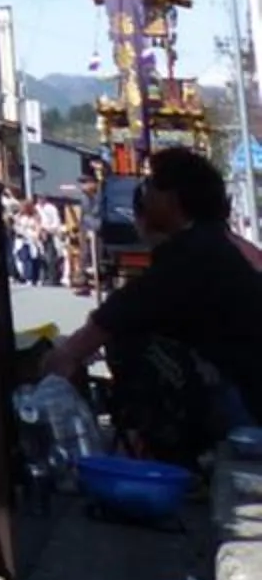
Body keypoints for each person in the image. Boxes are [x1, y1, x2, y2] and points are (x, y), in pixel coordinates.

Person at [44, 146, 262, 462]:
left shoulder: (192, 254)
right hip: (243, 389)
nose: (142, 197)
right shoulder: (217, 242)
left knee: (129, 342)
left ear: (171, 198)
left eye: (150, 186)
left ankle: (181, 454)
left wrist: (63, 356)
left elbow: (117, 315)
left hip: (241, 404)